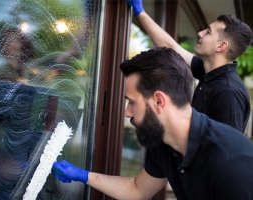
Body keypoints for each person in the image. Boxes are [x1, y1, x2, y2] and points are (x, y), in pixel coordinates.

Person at [52, 47, 253, 200]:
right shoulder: (163, 141)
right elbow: (137, 190)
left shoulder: (230, 162)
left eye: (132, 102)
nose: (127, 113)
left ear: (159, 101)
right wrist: (85, 176)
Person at [127, 0, 253, 133]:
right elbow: (171, 47)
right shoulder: (207, 70)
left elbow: (227, 150)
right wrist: (140, 12)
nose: (200, 33)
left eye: (208, 32)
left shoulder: (228, 92)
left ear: (221, 46)